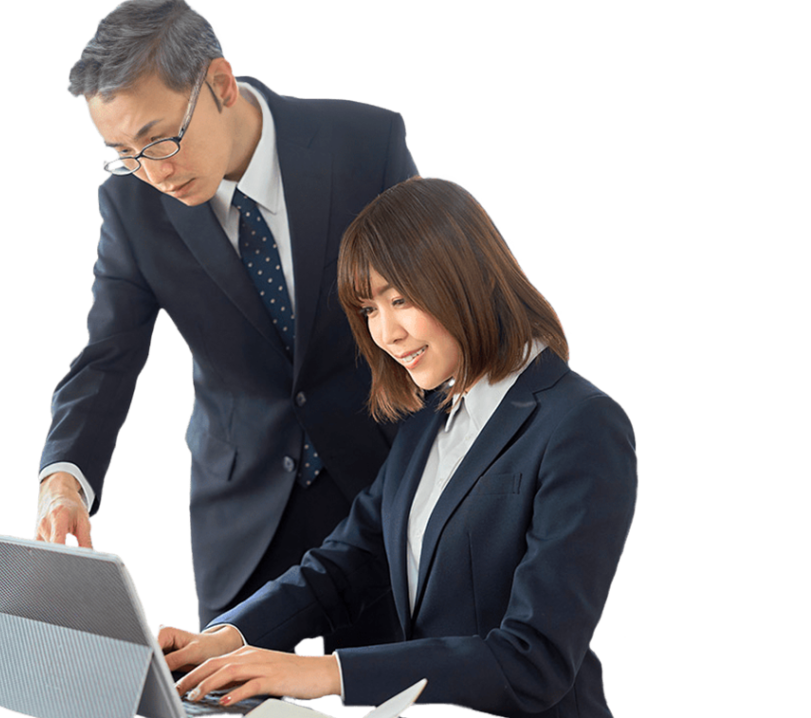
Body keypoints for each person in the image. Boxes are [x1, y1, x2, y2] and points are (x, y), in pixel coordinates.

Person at [157, 176, 638, 717]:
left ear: (470, 276)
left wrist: (325, 672)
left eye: (400, 299)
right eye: (369, 309)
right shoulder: (429, 417)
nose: (386, 333)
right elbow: (346, 564)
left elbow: (534, 660)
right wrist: (228, 637)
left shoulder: (582, 423)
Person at [33, 0, 418, 643]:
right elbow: (107, 356)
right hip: (242, 516)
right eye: (124, 152)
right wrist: (63, 482)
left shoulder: (363, 143)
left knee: (391, 684)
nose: (153, 172)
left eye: (160, 139)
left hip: (382, 484)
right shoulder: (130, 204)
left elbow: (438, 306)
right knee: (225, 687)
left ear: (220, 84)